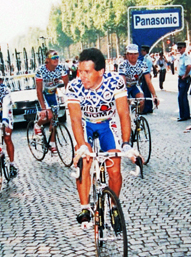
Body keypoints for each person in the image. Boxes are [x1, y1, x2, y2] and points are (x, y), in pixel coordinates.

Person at [66, 48, 136, 227]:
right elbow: (75, 119)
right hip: (85, 125)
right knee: (84, 160)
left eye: (87, 72)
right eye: (80, 71)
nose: (82, 76)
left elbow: (123, 114)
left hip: (106, 125)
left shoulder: (115, 82)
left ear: (101, 72)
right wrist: (81, 146)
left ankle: (114, 207)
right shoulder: (74, 86)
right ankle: (84, 207)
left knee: (114, 167)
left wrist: (126, 144)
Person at [34, 50, 69, 155]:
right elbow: (39, 91)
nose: (56, 59)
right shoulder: (40, 70)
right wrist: (44, 108)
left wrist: (70, 99)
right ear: (47, 60)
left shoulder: (60, 68)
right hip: (43, 94)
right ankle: (37, 125)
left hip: (53, 94)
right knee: (48, 116)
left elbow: (68, 86)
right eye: (53, 58)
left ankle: (52, 144)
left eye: (57, 57)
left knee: (54, 120)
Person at [118, 44, 159, 114]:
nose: (133, 56)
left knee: (141, 100)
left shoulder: (142, 65)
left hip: (135, 86)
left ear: (138, 54)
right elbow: (123, 82)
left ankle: (138, 117)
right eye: (130, 54)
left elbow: (148, 82)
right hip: (125, 87)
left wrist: (154, 96)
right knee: (125, 107)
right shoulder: (122, 65)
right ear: (127, 55)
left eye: (135, 54)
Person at [176, 42, 191, 121]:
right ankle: (185, 114)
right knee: (183, 97)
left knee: (181, 97)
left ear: (184, 48)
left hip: (185, 79)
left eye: (180, 48)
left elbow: (189, 66)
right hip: (181, 78)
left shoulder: (186, 57)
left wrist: (185, 75)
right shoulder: (180, 57)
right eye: (178, 48)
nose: (179, 49)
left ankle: (184, 115)